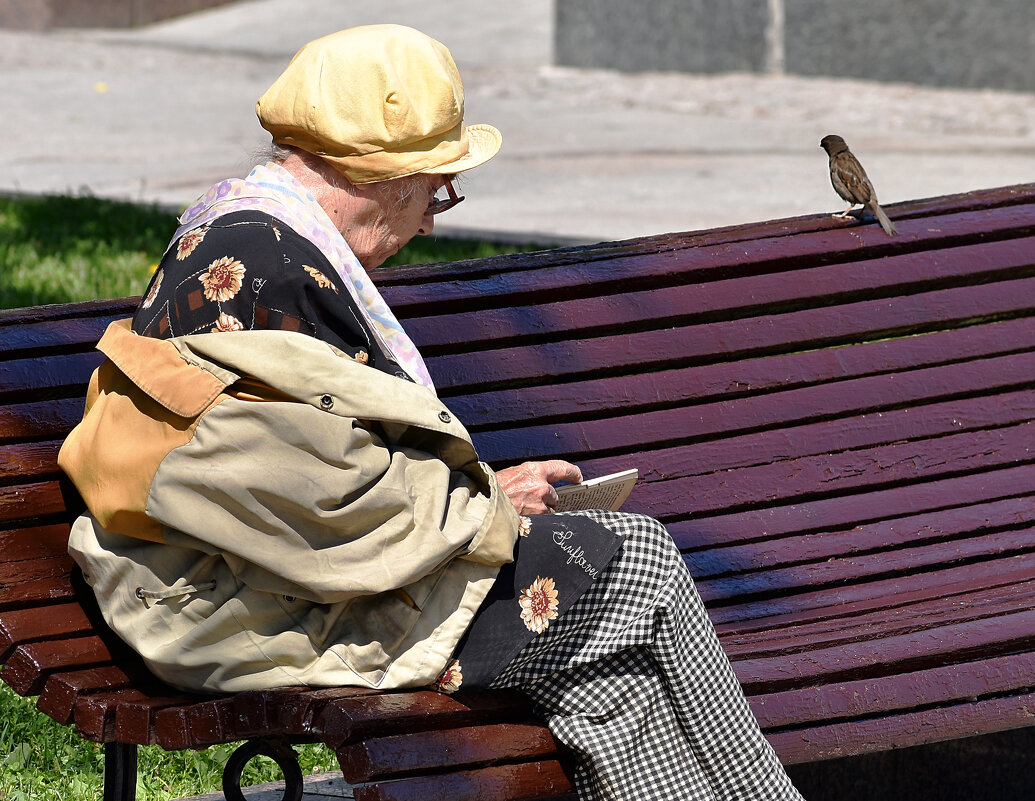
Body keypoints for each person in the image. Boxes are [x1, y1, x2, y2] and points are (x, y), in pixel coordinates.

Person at [58, 25, 805, 801]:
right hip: (248, 615)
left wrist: (485, 494)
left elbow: (316, 473)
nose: (431, 221)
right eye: (434, 187)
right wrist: (491, 511)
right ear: (380, 173)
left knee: (612, 668)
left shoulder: (259, 235)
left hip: (275, 584)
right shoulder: (269, 269)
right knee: (635, 560)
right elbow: (324, 505)